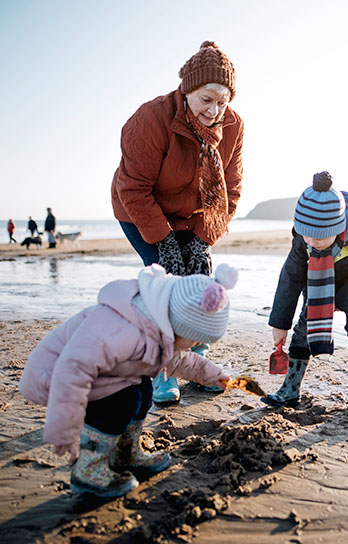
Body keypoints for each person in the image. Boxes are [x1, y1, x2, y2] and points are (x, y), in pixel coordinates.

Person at [19, 262, 237, 498]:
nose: (196, 345)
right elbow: (72, 371)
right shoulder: (121, 330)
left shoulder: (156, 325)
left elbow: (179, 361)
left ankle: (125, 453)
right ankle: (88, 469)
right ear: (177, 323)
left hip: (91, 377)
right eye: (195, 339)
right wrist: (64, 431)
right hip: (54, 379)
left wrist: (214, 375)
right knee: (122, 400)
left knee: (143, 390)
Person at [111, 40, 243, 404]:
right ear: (187, 91)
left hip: (197, 215)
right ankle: (164, 371)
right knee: (165, 289)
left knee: (199, 285)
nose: (215, 110)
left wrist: (202, 240)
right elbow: (133, 188)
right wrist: (165, 244)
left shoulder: (233, 126)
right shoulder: (150, 119)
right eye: (206, 99)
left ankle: (196, 363)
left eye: (222, 101)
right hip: (141, 210)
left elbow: (231, 189)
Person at [261, 172, 348, 415]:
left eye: (320, 236)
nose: (313, 241)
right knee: (302, 331)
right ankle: (290, 388)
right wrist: (279, 323)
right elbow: (290, 277)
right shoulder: (303, 240)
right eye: (306, 234)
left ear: (339, 226)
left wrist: (345, 301)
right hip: (318, 284)